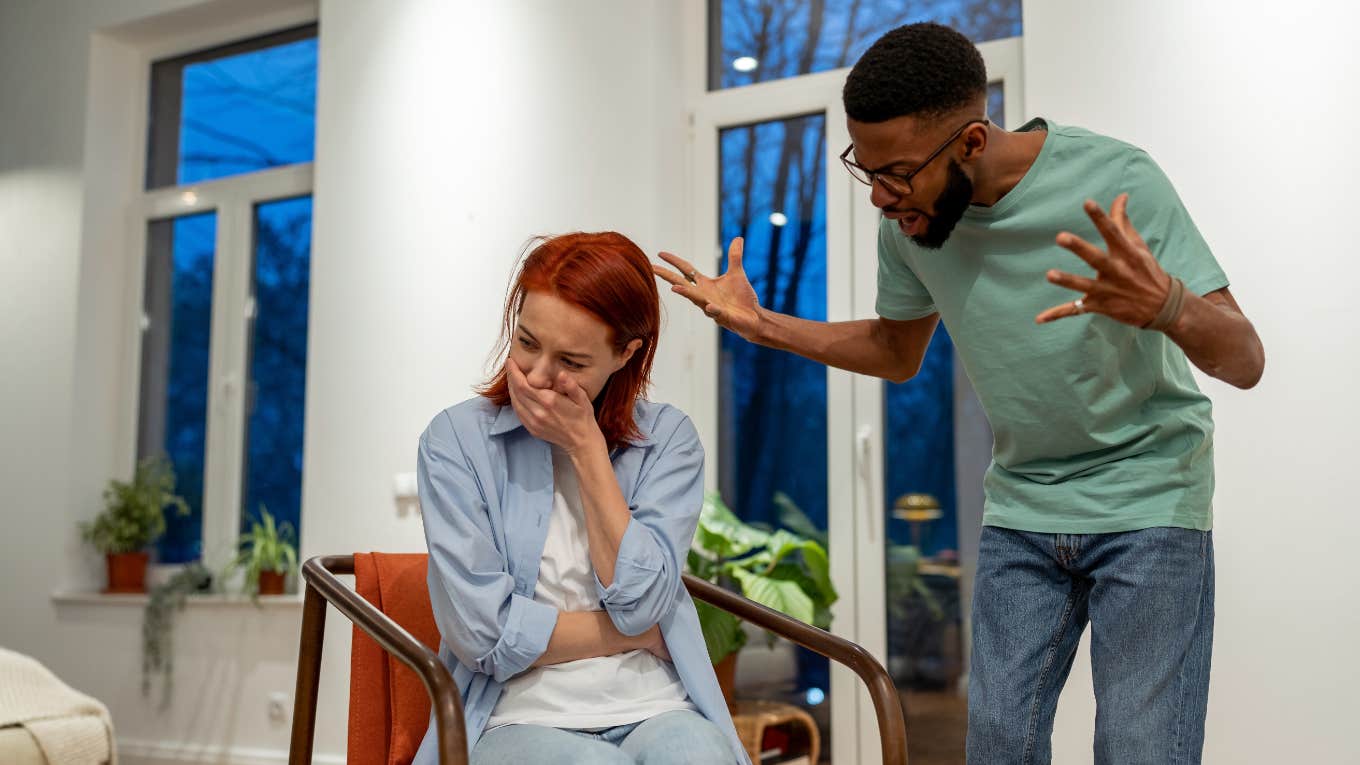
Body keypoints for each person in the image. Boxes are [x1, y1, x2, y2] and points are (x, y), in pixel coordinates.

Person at [654, 22, 1263, 765]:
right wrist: (762, 325)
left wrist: (1170, 305)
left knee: (1139, 748)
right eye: (866, 169)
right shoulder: (910, 227)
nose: (881, 197)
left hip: (1148, 497)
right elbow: (894, 349)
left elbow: (1246, 359)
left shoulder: (1115, 180)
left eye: (899, 173)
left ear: (972, 142)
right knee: (999, 742)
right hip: (1024, 504)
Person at [413, 232, 746, 765]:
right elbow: (483, 633)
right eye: (526, 343)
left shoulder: (667, 441)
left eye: (570, 360)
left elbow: (640, 602)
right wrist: (629, 637)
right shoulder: (456, 441)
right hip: (514, 713)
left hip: (657, 704)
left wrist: (587, 448)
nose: (538, 376)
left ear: (624, 354)